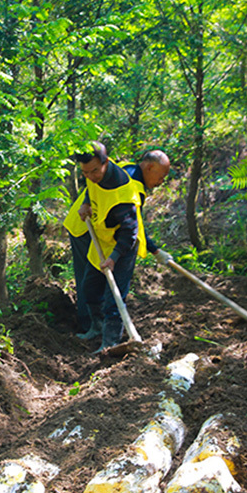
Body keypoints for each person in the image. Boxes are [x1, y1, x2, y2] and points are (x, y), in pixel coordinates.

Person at [74, 142, 172, 353]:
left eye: (94, 171)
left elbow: (131, 233)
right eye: (85, 172)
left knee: (114, 297)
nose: (90, 176)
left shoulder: (125, 194)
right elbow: (92, 188)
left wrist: (115, 257)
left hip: (123, 247)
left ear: (105, 163)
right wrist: (86, 203)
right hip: (102, 239)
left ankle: (110, 342)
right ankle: (96, 327)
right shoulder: (94, 173)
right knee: (89, 288)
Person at [63, 187, 95, 334]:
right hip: (83, 226)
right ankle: (88, 324)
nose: (161, 182)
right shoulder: (125, 177)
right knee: (90, 274)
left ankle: (97, 322)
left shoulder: (120, 172)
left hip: (93, 225)